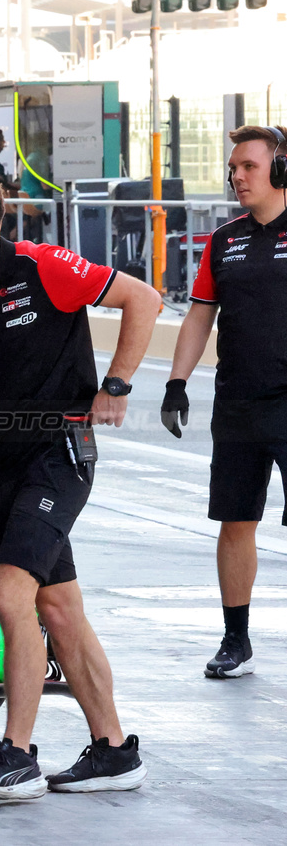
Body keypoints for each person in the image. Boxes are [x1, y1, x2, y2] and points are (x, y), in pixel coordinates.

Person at [0, 168, 158, 800]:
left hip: (62, 451)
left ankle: (16, 754)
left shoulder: (45, 267)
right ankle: (113, 751)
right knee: (58, 608)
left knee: (10, 596)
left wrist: (116, 384)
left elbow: (144, 299)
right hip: (5, 457)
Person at [162, 124, 287, 680]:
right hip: (237, 401)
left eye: (249, 167)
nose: (237, 176)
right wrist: (176, 383)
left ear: (280, 170)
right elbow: (199, 314)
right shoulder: (224, 239)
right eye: (233, 167)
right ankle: (235, 639)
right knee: (236, 521)